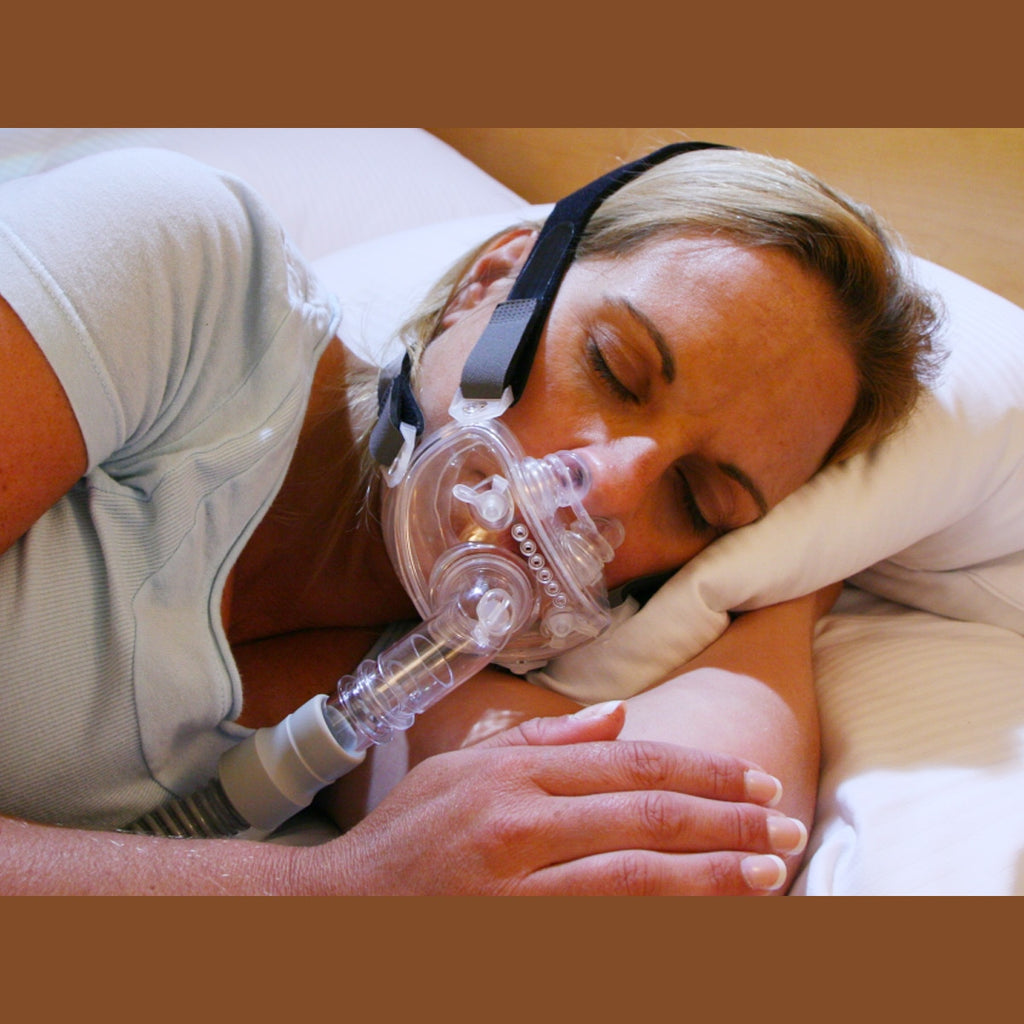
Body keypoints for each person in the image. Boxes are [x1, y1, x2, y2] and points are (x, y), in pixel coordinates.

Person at [0, 142, 939, 895]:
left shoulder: (411, 678)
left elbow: (695, 851)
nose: (609, 489)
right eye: (612, 368)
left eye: (698, 500)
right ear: (495, 284)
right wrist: (334, 893)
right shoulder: (185, 279)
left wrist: (795, 582)